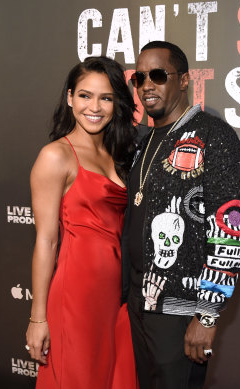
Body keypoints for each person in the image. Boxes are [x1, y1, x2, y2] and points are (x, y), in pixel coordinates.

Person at [121, 41, 240, 389]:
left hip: (181, 309)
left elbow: (232, 230)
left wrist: (207, 315)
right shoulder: (143, 141)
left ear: (183, 80)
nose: (147, 84)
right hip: (139, 300)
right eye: (140, 77)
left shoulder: (214, 136)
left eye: (159, 75)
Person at [25, 56, 138, 389]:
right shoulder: (55, 156)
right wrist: (38, 318)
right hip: (78, 293)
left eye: (106, 97)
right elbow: (46, 241)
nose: (95, 107)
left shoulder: (120, 151)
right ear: (70, 97)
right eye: (86, 95)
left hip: (119, 297)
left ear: (117, 102)